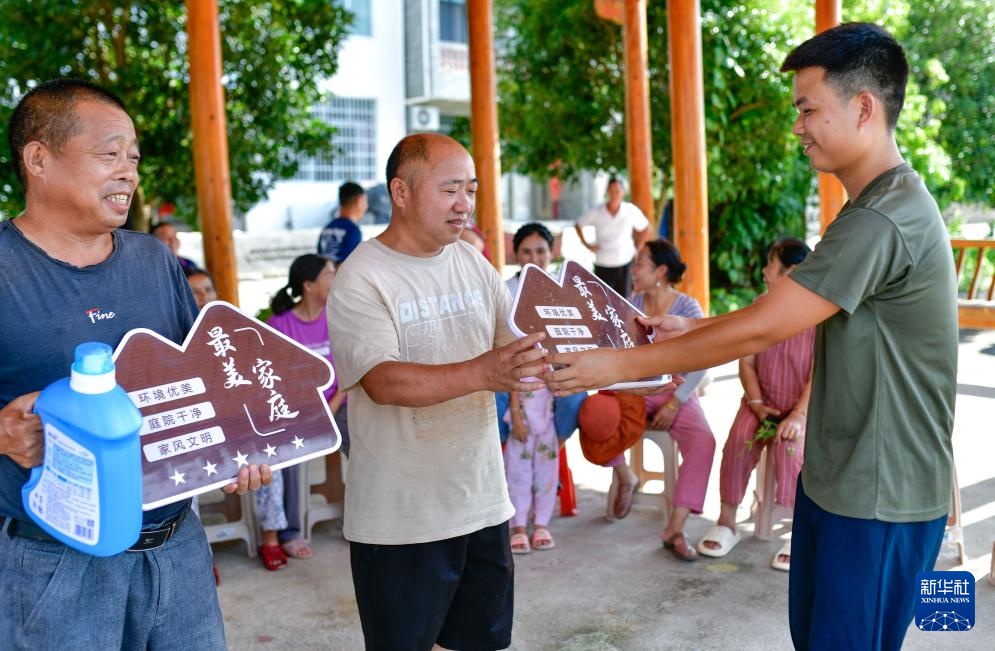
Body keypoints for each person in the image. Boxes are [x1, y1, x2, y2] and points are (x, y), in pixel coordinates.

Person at [544, 23, 957, 650]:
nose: (798, 126)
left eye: (808, 109)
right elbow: (787, 310)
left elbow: (764, 327)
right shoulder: (871, 208)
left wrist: (613, 366)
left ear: (864, 108)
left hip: (881, 494)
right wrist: (695, 324)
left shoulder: (883, 218)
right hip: (844, 479)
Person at [0, 78, 269, 650]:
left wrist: (242, 445)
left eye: (134, 157)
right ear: (39, 159)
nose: (129, 172)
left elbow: (202, 384)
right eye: (109, 154)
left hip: (177, 551)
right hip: (51, 566)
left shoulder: (154, 260)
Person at [327, 133, 547, 650]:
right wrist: (486, 373)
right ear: (401, 192)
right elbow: (383, 381)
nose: (465, 204)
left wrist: (602, 350)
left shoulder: (472, 261)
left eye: (470, 189)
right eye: (450, 189)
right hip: (401, 518)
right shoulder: (363, 276)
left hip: (482, 502)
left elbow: (514, 344)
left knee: (481, 643)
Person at [696, 238, 814, 571]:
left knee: (789, 447)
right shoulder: (761, 305)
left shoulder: (816, 314)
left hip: (802, 410)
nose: (764, 270)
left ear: (791, 271)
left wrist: (799, 416)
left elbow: (818, 374)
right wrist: (758, 402)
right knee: (738, 439)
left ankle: (797, 534)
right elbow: (746, 361)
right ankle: (727, 522)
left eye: (771, 263)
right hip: (760, 403)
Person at [612, 239, 716, 562]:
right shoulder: (629, 303)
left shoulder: (686, 308)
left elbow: (703, 360)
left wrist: (676, 401)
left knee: (704, 441)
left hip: (676, 390)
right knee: (598, 416)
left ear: (660, 271)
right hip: (635, 390)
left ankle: (675, 527)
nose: (634, 269)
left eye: (640, 263)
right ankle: (625, 476)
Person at [253, 254, 345, 570]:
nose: (336, 279)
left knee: (371, 439)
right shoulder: (279, 326)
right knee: (286, 450)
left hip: (339, 405)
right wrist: (313, 413)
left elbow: (350, 369)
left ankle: (365, 515)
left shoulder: (338, 317)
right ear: (308, 285)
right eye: (331, 274)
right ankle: (289, 531)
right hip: (297, 411)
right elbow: (272, 382)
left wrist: (331, 408)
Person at [501, 222, 581, 554]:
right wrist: (515, 408)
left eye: (541, 251)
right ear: (515, 254)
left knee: (579, 394)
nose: (534, 257)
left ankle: (542, 518)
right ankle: (517, 522)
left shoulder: (564, 292)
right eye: (526, 251)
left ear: (552, 253)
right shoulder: (506, 291)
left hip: (552, 381)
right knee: (516, 456)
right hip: (513, 381)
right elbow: (502, 351)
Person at [574, 176, 650, 297]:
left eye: (617, 191)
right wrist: (587, 245)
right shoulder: (597, 211)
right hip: (602, 262)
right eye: (611, 191)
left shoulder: (630, 210)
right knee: (602, 300)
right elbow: (578, 225)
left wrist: (638, 248)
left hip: (624, 261)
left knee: (625, 300)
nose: (614, 195)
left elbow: (645, 228)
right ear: (607, 192)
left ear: (623, 193)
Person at [317, 181, 366, 263]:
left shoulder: (327, 228)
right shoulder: (353, 230)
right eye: (366, 201)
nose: (366, 206)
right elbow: (350, 265)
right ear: (359, 200)